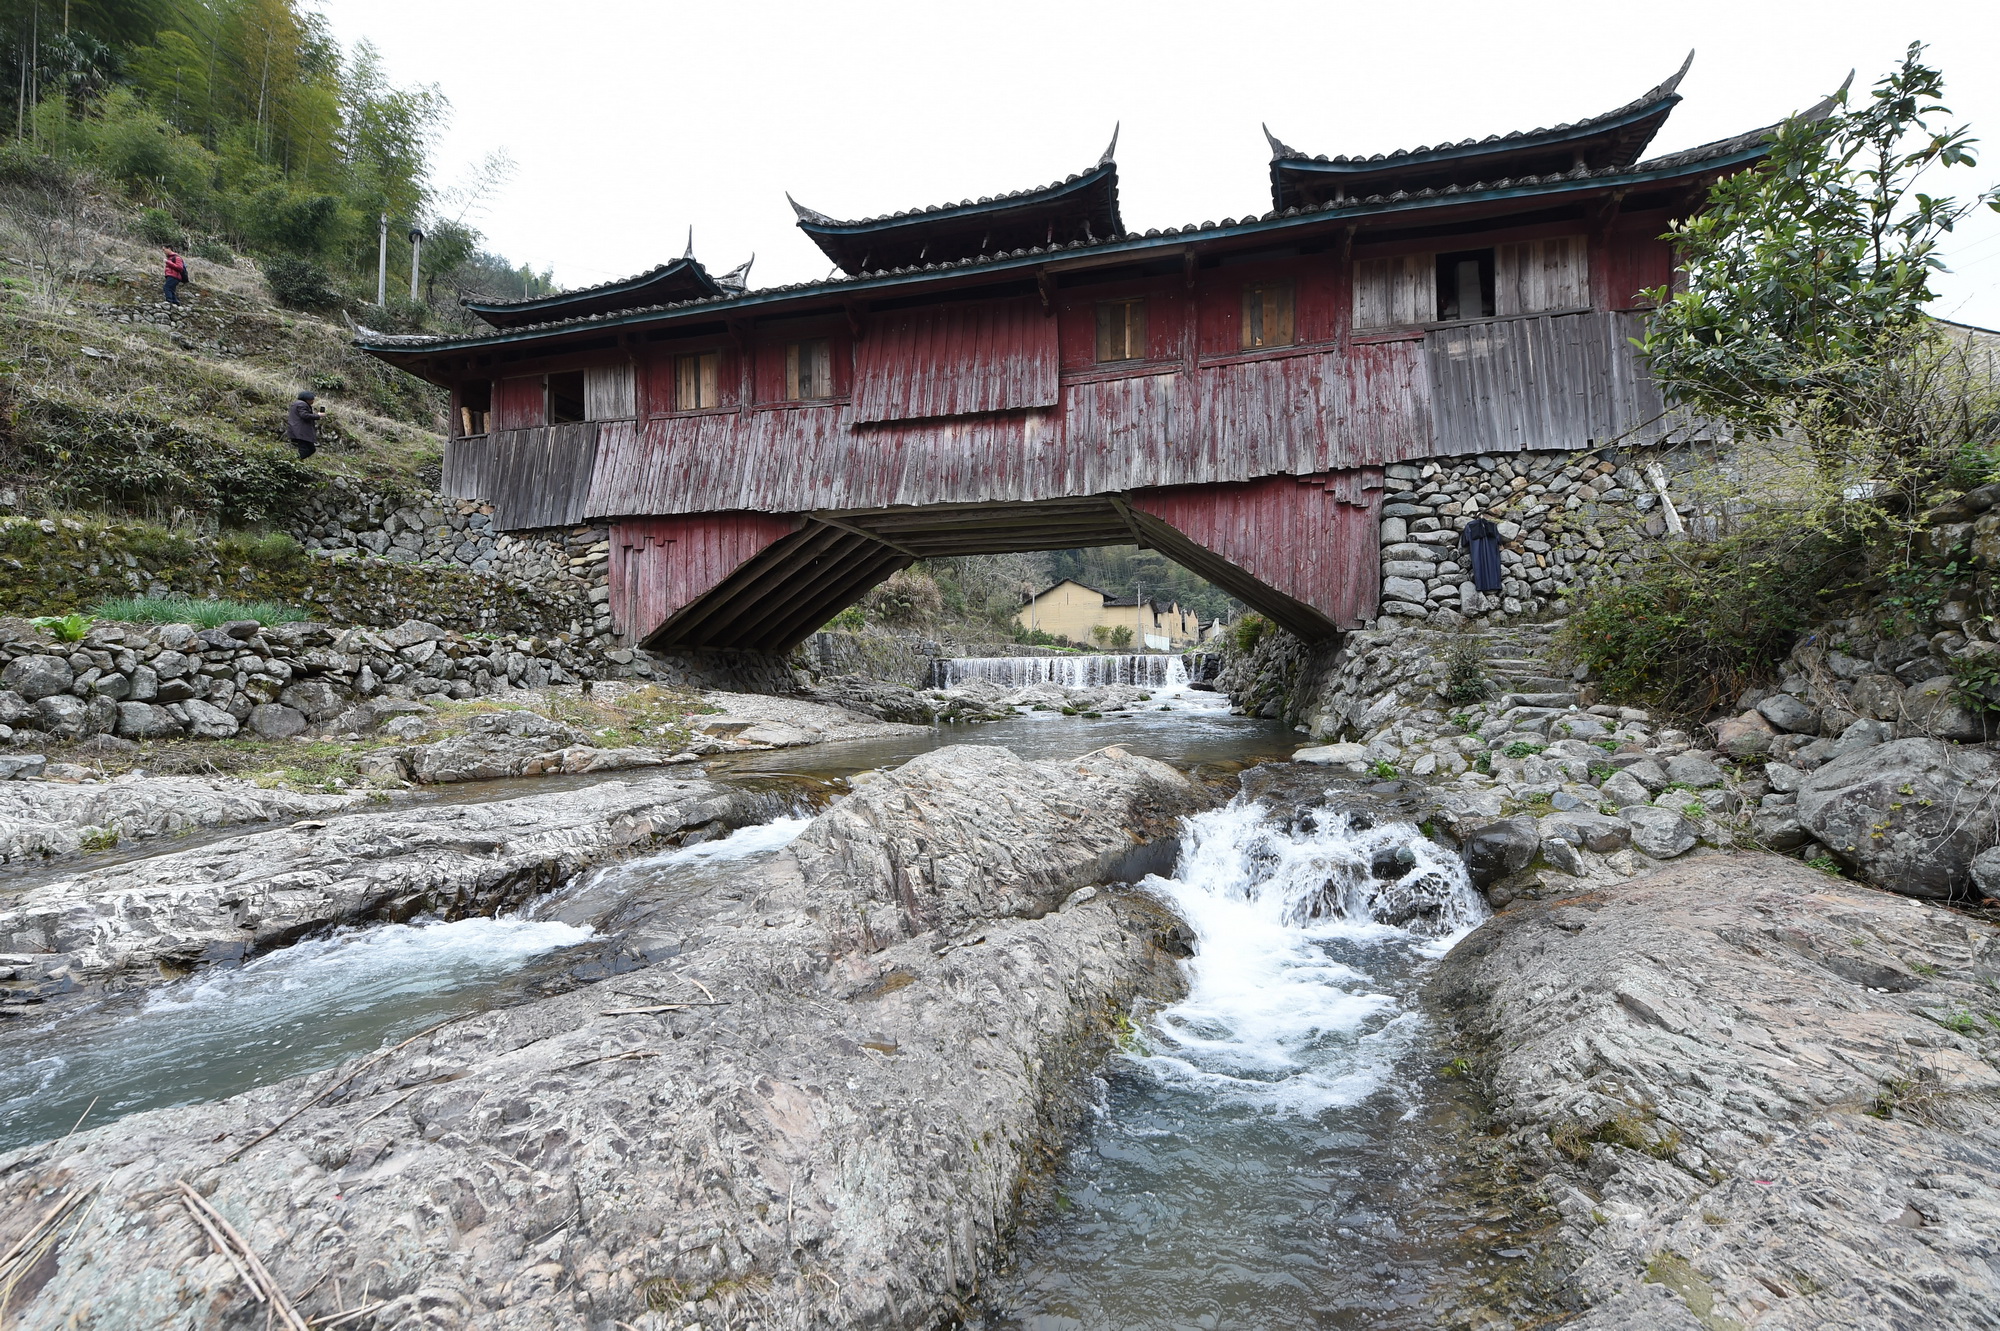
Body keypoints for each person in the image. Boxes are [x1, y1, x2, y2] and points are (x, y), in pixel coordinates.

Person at [1460, 506, 1505, 594]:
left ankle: (1481, 585)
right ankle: (1495, 584)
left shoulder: (1470, 526)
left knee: (1479, 566)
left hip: (1477, 552)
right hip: (1492, 553)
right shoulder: (1492, 526)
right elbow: (1499, 540)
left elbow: (1464, 542)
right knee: (1493, 566)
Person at [286, 390, 327, 461]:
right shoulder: (302, 404)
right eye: (312, 399)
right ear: (307, 399)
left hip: (297, 431)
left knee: (310, 449)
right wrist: (318, 415)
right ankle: (292, 461)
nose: (313, 401)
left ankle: (294, 461)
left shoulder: (297, 404)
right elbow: (304, 415)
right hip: (301, 432)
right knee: (306, 449)